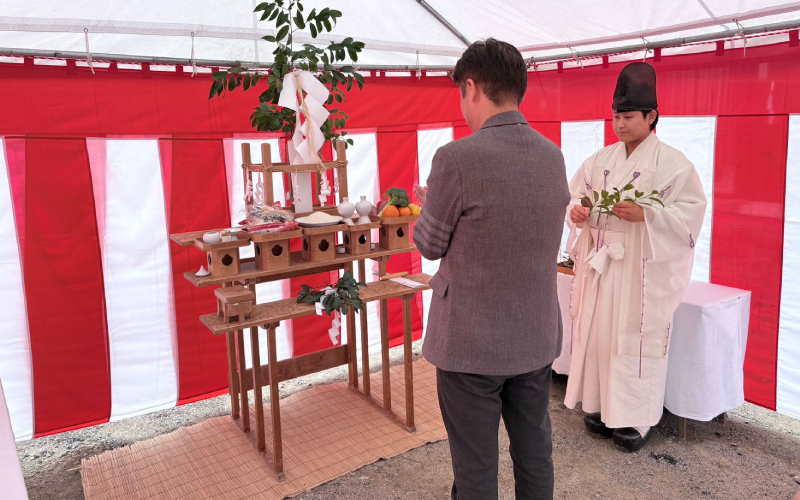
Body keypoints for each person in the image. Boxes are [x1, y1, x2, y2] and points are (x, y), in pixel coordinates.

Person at [413, 38, 569, 500]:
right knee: (535, 454)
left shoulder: (456, 158)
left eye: (462, 94)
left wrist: (427, 211)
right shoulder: (552, 155)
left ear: (472, 87)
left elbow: (430, 244)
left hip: (471, 344)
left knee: (477, 469)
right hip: (535, 337)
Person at [564, 62, 707, 452]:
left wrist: (649, 214)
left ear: (652, 116)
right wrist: (577, 211)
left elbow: (692, 212)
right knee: (598, 335)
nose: (620, 124)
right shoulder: (600, 159)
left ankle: (635, 419)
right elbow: (576, 194)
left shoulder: (674, 164)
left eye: (627, 117)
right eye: (616, 117)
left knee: (634, 338)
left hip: (641, 267)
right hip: (603, 263)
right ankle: (596, 405)